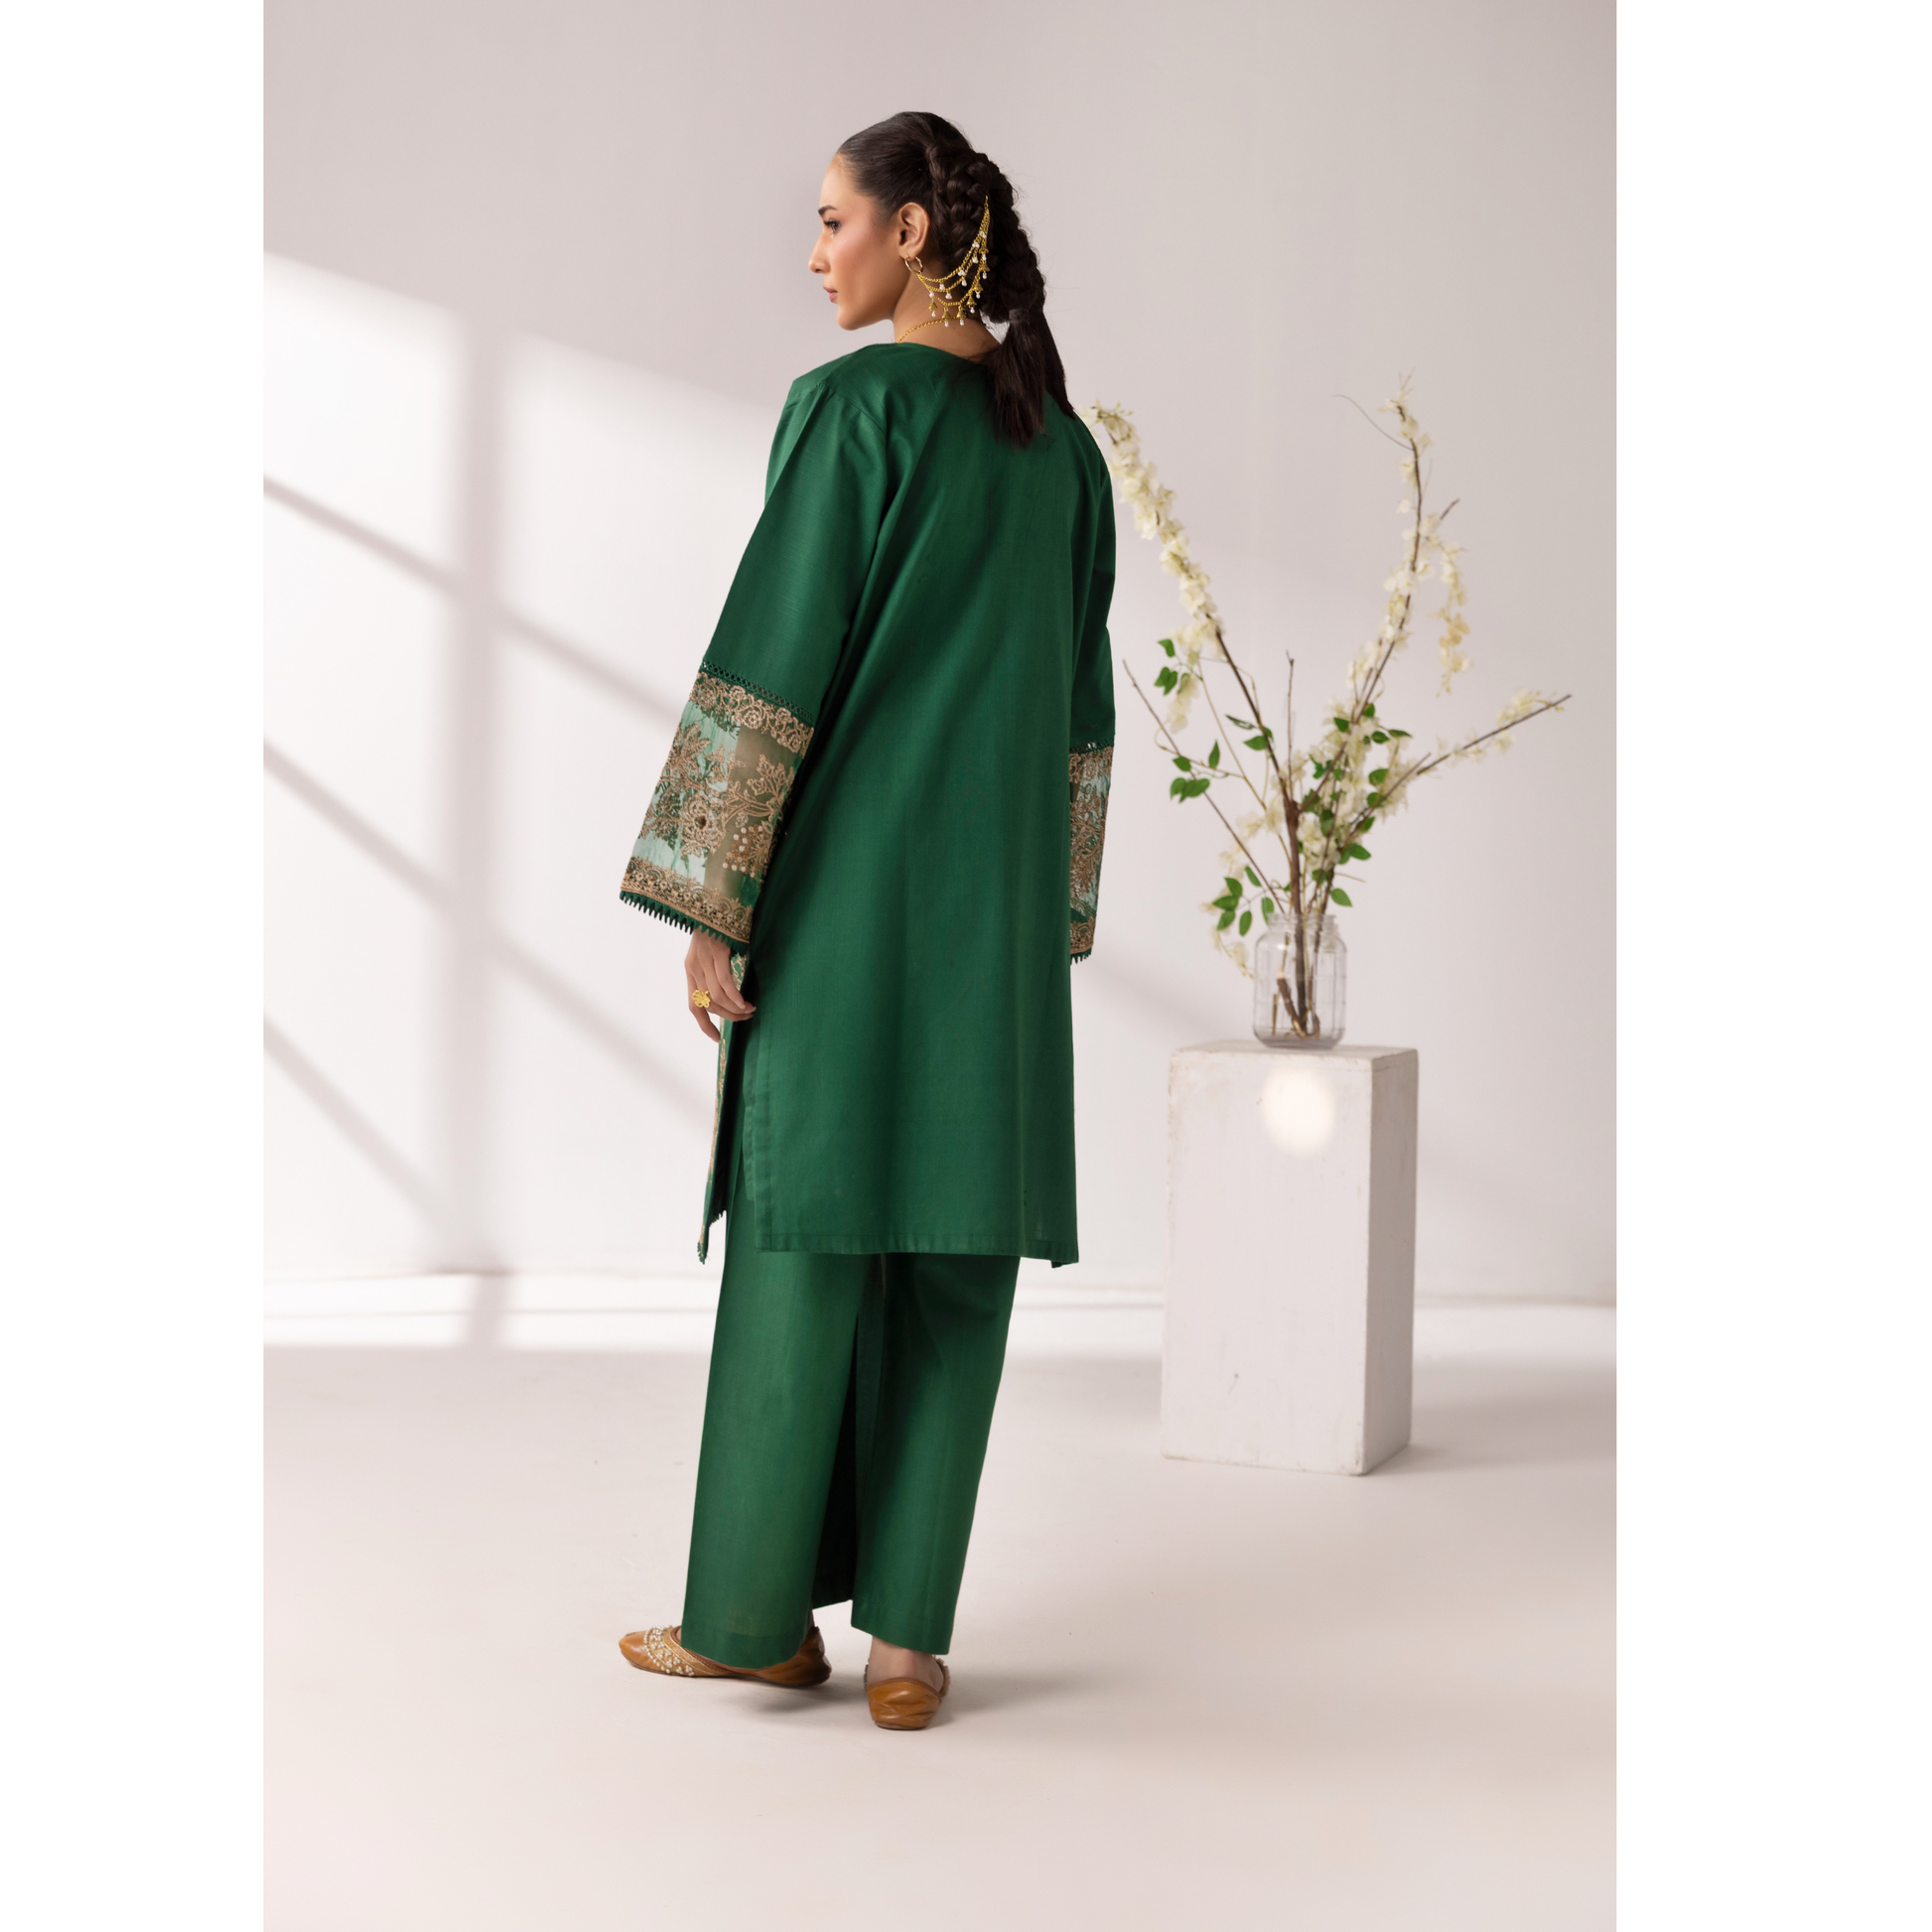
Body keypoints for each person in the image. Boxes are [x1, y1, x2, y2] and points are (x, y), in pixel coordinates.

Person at [616, 111, 1116, 1731]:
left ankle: (755, 1620)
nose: (814, 250)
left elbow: (776, 657)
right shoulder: (1067, 456)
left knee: (804, 1236)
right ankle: (908, 1648)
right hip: (990, 942)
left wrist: (713, 901)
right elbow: (1081, 720)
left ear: (911, 231)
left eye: (833, 219)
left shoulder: (846, 413)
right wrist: (1046, 921)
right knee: (956, 1262)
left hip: (837, 908)